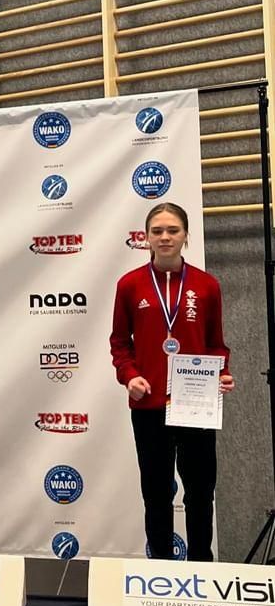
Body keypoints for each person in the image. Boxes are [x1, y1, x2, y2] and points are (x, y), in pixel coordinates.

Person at [110, 203, 233, 562]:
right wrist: (130, 376)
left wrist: (221, 373)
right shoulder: (129, 285)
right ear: (146, 237)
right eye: (158, 231)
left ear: (185, 235)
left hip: (194, 405)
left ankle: (201, 566)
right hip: (149, 405)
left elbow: (216, 344)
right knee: (156, 493)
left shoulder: (206, 286)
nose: (165, 237)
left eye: (173, 230)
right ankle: (160, 568)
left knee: (200, 492)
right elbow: (120, 343)